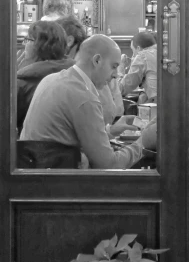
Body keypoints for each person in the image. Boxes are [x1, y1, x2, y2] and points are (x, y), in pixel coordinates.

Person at [21, 34, 156, 169]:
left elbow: (64, 138)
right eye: (114, 66)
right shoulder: (84, 97)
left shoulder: (50, 79)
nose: (115, 75)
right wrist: (143, 142)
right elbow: (109, 165)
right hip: (61, 182)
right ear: (97, 60)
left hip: (33, 175)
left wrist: (111, 131)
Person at [16, 20, 74, 131]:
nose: (24, 44)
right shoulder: (74, 74)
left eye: (27, 40)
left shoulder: (23, 83)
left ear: (39, 45)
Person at [118, 31, 157, 103]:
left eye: (133, 50)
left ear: (138, 49)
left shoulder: (142, 56)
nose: (133, 56)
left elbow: (121, 89)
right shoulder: (161, 51)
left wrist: (120, 66)